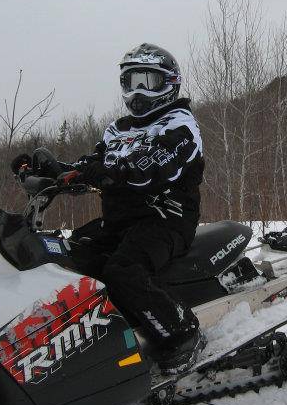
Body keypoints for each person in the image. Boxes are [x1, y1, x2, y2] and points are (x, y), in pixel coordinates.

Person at [13, 43, 206, 374]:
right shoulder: (119, 130)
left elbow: (152, 166)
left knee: (123, 270)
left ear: (169, 84)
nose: (138, 92)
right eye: (131, 82)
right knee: (66, 257)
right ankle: (86, 344)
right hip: (120, 223)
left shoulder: (179, 124)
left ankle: (181, 334)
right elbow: (91, 164)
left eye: (148, 81)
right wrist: (52, 171)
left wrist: (108, 172)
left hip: (164, 219)